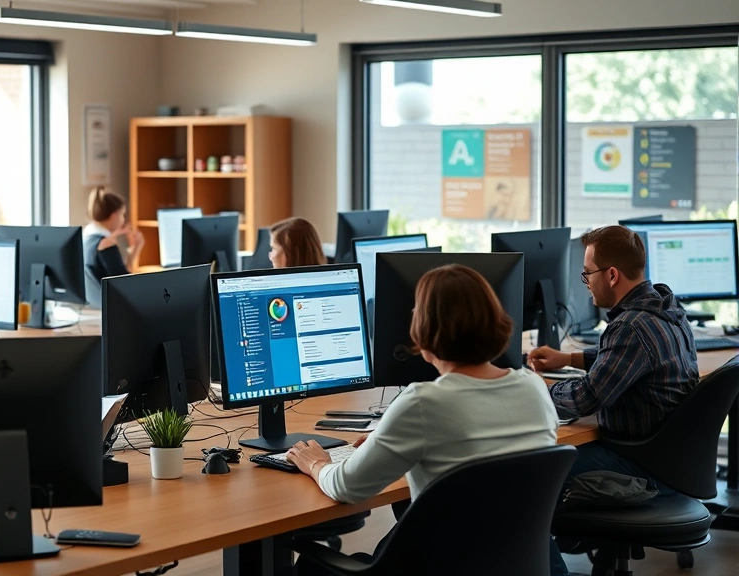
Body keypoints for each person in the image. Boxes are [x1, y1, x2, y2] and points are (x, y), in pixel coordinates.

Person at [287, 264, 558, 574]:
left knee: (310, 565)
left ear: (425, 326)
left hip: (445, 564)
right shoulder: (534, 386)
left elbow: (347, 486)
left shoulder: (422, 402)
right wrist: (384, 442)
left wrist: (315, 463)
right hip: (514, 564)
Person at [528, 225, 699, 576]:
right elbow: (627, 359)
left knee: (527, 475)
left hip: (641, 468)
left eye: (587, 273)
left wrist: (532, 392)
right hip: (671, 461)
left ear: (612, 274)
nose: (584, 282)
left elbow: (585, 398)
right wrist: (569, 359)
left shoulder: (631, 327)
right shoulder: (664, 307)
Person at [83, 186, 144, 308]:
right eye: (122, 214)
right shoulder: (106, 245)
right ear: (114, 215)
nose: (123, 220)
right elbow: (125, 285)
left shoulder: (87, 237)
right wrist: (136, 249)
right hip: (113, 307)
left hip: (94, 305)